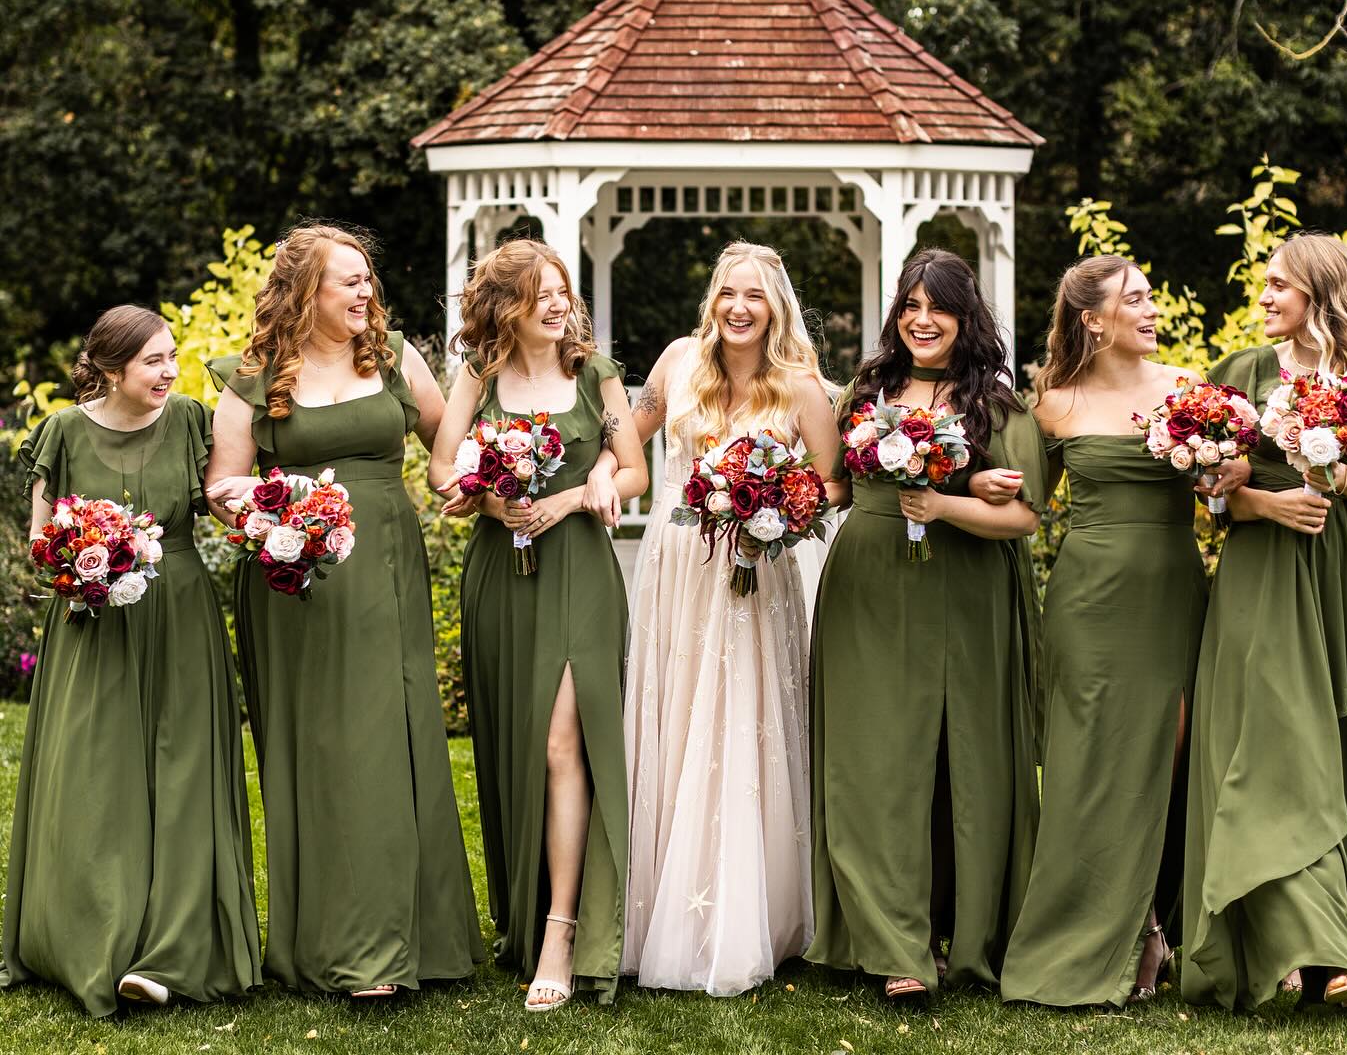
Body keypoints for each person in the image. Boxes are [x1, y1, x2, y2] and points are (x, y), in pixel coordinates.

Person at [206, 224, 482, 997]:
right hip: (297, 586)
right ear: (305, 293)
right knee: (321, 752)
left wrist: (468, 481)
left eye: (368, 280)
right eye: (348, 282)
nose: (366, 294)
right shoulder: (252, 378)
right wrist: (273, 514)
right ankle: (335, 943)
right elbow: (223, 491)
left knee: (387, 742)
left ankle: (399, 945)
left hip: (385, 571)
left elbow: (448, 444)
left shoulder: (396, 361)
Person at [586, 241, 842, 996]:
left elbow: (833, 484)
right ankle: (660, 907)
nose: (739, 307)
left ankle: (752, 912)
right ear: (713, 301)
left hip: (756, 574)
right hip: (676, 566)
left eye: (755, 296)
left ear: (776, 308)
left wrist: (775, 506)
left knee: (741, 721)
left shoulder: (801, 388)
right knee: (675, 721)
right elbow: (623, 435)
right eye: (729, 293)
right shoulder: (675, 364)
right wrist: (604, 469)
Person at [1182, 232, 1347, 1011]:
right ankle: (1291, 930)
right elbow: (1209, 493)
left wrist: (1334, 469)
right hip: (1261, 574)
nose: (1263, 298)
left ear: (1320, 291)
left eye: (1278, 286)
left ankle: (1343, 920)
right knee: (1271, 742)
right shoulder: (1241, 375)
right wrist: (1258, 499)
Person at [1, 306, 262, 1015]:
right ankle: (91, 938)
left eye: (172, 356)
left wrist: (278, 515)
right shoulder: (61, 431)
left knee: (186, 778)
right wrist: (87, 553)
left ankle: (169, 954)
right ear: (111, 368)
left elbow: (224, 500)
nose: (171, 370)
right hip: (94, 624)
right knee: (96, 777)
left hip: (180, 617)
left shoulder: (189, 419)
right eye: (153, 360)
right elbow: (40, 537)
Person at [807, 248, 1044, 1001]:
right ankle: (894, 945)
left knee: (960, 762)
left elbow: (1026, 514)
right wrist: (763, 500)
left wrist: (949, 500)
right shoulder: (865, 392)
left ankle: (967, 932)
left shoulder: (999, 408)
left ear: (965, 316)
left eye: (937, 305)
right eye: (909, 305)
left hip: (966, 593)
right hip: (869, 587)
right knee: (873, 762)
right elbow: (837, 486)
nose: (922, 319)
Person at [430, 238, 647, 1011]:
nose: (558, 304)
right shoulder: (478, 376)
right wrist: (489, 497)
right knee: (517, 741)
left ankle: (561, 931)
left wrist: (584, 487)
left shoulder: (598, 374)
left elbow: (635, 469)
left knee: (563, 743)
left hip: (581, 571)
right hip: (500, 573)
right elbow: (441, 465)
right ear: (505, 308)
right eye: (540, 294)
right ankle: (521, 918)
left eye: (563, 291)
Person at [1000, 257, 1210, 1007]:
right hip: (1087, 601)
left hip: (1172, 595)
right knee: (1089, 763)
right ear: (1093, 319)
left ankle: (1162, 917)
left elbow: (1227, 490)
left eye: (1152, 296)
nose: (1152, 309)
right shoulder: (1053, 404)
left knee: (1166, 755)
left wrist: (1224, 479)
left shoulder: (1190, 389)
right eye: (1136, 299)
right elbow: (1023, 506)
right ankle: (1134, 931)